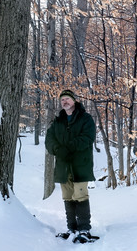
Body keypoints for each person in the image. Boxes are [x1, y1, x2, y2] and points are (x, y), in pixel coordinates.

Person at [45, 89, 98, 243]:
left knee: (80, 195)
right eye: (62, 100)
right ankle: (72, 229)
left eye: (67, 99)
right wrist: (58, 149)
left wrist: (68, 147)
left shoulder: (85, 118)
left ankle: (84, 230)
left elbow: (88, 138)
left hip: (80, 165)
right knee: (67, 197)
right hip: (63, 166)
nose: (65, 102)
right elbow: (49, 140)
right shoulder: (58, 121)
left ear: (74, 101)